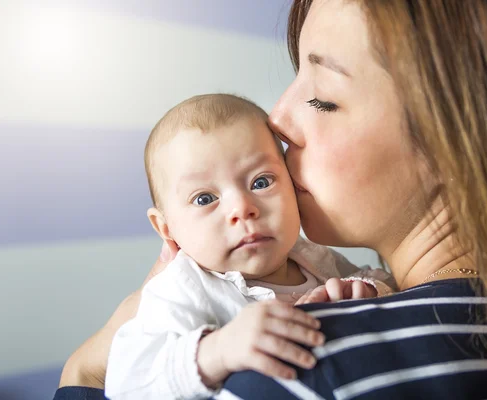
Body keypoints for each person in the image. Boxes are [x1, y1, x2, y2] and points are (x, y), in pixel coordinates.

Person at [54, 0, 487, 399]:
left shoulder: (293, 362)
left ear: (455, 144)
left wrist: (81, 374)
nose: (276, 120)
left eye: (323, 99)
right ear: (163, 225)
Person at [104, 94, 393, 399]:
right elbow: (126, 382)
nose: (242, 208)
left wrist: (364, 290)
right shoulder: (184, 288)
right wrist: (217, 351)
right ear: (167, 229)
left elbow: (394, 285)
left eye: (261, 182)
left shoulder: (312, 257)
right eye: (205, 199)